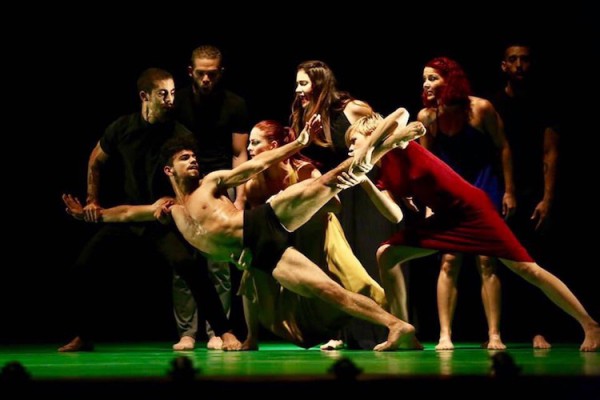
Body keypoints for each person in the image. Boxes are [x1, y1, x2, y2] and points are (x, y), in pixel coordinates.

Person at [66, 112, 426, 351]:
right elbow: (126, 212)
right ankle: (397, 326)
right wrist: (89, 214)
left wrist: (297, 144)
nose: (193, 161)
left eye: (194, 156)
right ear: (168, 170)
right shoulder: (168, 209)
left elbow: (257, 162)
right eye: (184, 158)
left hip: (264, 221)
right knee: (330, 292)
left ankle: (376, 150)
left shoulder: (211, 182)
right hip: (259, 255)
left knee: (335, 179)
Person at [349, 111, 600, 352]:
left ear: (370, 134)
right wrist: (364, 180)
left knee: (527, 268)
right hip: (445, 219)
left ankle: (590, 324)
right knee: (387, 253)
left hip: (471, 210)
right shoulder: (383, 172)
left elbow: (401, 113)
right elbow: (395, 215)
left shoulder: (398, 144)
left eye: (353, 141)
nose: (349, 148)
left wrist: (371, 148)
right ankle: (403, 332)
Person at [59, 67, 242, 352]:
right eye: (163, 94)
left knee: (190, 266)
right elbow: (96, 159)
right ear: (145, 96)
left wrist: (177, 202)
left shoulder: (177, 134)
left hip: (164, 219)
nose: (170, 98)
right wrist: (92, 199)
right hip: (130, 214)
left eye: (172, 92)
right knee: (82, 267)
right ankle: (83, 335)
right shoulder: (122, 128)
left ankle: (225, 331)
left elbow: (189, 179)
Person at [239, 119, 388, 350]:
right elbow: (249, 223)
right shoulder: (254, 184)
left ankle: (375, 329)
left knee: (343, 282)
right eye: (249, 142)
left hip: (317, 230)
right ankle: (251, 337)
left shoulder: (305, 171)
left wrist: (291, 201)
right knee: (251, 271)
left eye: (255, 142)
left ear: (273, 146)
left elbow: (335, 205)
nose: (249, 149)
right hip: (282, 237)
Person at [290, 60, 398, 349]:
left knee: (364, 260)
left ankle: (380, 330)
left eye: (303, 83)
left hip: (360, 193)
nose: (298, 89)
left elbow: (385, 128)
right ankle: (343, 333)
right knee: (337, 267)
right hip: (330, 198)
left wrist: (371, 161)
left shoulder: (349, 108)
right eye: (297, 83)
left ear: (320, 83)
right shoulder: (305, 114)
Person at [416, 56, 515, 350]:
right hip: (451, 193)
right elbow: (427, 165)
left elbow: (504, 147)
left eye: (433, 78)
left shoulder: (480, 108)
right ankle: (445, 334)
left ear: (451, 80)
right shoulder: (427, 116)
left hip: (484, 187)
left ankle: (494, 334)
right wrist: (429, 202)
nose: (426, 84)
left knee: (487, 260)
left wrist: (509, 190)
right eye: (424, 79)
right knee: (449, 259)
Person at [172, 45, 250, 350]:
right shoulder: (176, 101)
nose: (206, 79)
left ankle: (217, 330)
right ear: (191, 71)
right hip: (184, 187)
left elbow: (239, 153)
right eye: (201, 73)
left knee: (218, 262)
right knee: (184, 263)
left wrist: (240, 198)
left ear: (221, 73)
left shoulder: (235, 104)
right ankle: (186, 333)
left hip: (219, 187)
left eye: (212, 73)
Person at [492, 42, 560, 349]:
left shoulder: (544, 102)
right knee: (495, 262)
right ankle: (497, 331)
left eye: (525, 59)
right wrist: (505, 190)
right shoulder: (492, 104)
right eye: (513, 60)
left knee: (535, 260)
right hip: (498, 188)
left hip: (532, 189)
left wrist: (547, 198)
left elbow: (551, 151)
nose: (519, 65)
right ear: (504, 66)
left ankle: (537, 328)